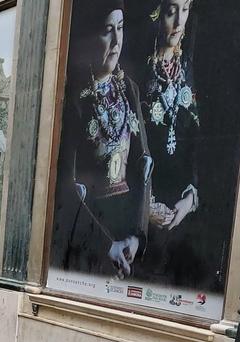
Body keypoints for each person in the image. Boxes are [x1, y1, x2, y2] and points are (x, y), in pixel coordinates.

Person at [50, 0, 152, 279]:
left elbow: (143, 166)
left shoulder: (129, 90)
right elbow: (66, 185)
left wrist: (137, 236)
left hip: (127, 231)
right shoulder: (74, 101)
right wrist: (104, 244)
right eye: (108, 30)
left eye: (121, 28)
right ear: (91, 36)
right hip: (90, 233)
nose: (117, 40)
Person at [140, 0, 201, 284]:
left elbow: (196, 141)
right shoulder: (136, 70)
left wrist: (189, 199)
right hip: (140, 217)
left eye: (185, 10)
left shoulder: (186, 67)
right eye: (171, 11)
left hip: (181, 212)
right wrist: (142, 206)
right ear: (157, 14)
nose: (178, 21)